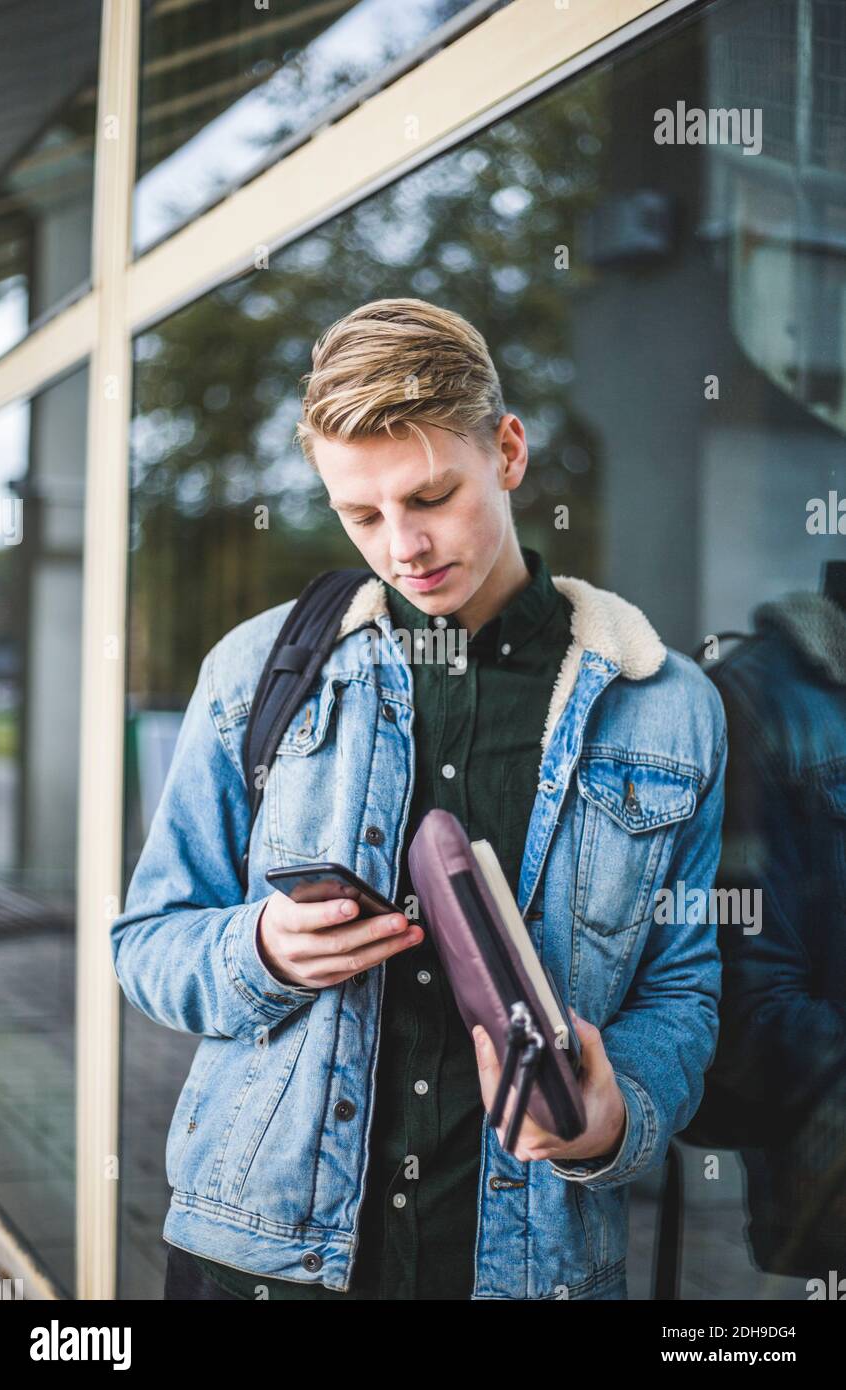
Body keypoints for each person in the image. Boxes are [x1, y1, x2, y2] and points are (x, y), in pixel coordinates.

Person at [111, 297, 726, 1301]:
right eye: (360, 514)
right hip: (256, 1262)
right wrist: (258, 948)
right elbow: (145, 941)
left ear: (509, 452)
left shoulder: (667, 709)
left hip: (532, 1272)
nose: (403, 546)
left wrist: (614, 1115)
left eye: (430, 497)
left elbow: (681, 990)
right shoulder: (253, 671)